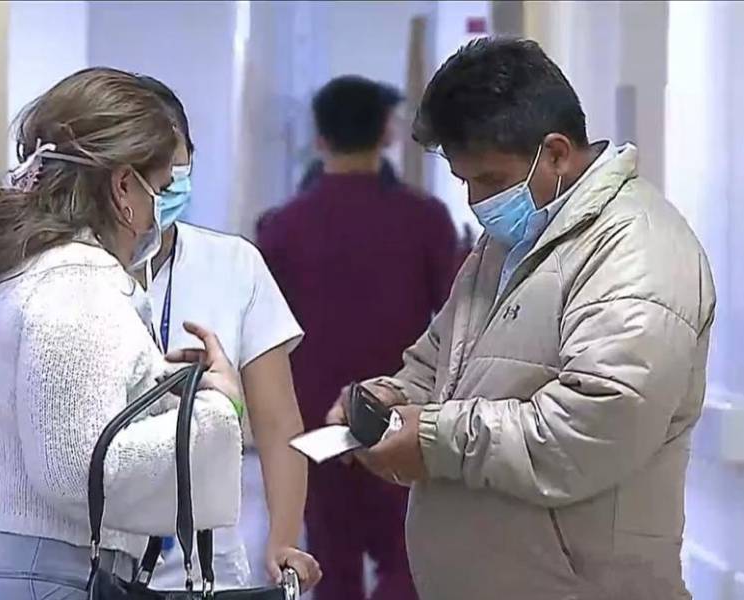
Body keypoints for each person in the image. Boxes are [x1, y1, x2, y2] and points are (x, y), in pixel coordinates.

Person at [328, 37, 716, 600]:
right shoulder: (511, 242)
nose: (475, 202)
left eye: (489, 181)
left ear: (555, 153)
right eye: (464, 181)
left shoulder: (639, 250)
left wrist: (433, 438)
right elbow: (442, 360)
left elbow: (592, 426)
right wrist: (388, 400)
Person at [0, 67, 245, 599]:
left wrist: (159, 394)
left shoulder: (4, 275)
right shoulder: (75, 283)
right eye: (162, 188)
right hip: (42, 579)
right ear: (124, 186)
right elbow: (78, 469)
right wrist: (216, 409)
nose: (160, 211)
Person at [258, 75, 458, 600]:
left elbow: (265, 337)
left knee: (330, 563)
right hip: (402, 414)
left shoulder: (282, 228)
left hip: (315, 422)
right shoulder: (426, 220)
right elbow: (455, 318)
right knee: (407, 559)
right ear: (388, 134)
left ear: (320, 138)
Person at [134, 75, 321, 591]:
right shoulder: (75, 270)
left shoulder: (234, 263)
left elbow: (278, 421)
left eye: (173, 163)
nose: (163, 182)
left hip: (207, 563)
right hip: (92, 558)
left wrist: (282, 538)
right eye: (145, 167)